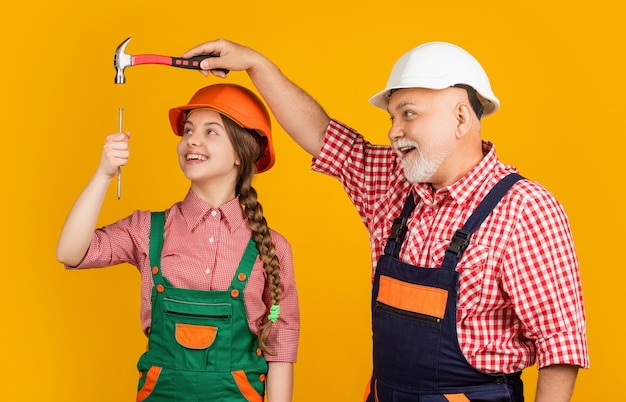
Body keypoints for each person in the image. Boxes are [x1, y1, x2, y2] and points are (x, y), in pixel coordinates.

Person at [178, 39, 590, 401]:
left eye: (408, 114)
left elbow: (561, 345)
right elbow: (322, 136)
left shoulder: (524, 209)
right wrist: (257, 65)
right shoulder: (394, 187)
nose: (394, 131)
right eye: (391, 117)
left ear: (461, 118)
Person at [56, 83, 300, 402]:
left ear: (243, 152)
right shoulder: (147, 229)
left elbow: (280, 349)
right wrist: (103, 174)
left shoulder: (272, 247)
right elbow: (71, 253)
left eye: (210, 131)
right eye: (188, 130)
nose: (192, 140)